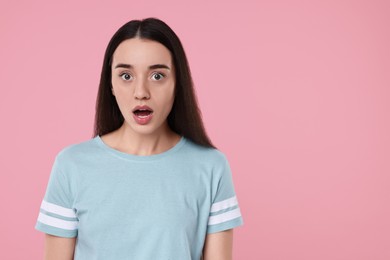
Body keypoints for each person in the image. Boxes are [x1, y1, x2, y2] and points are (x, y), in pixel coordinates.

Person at [35, 17, 243, 260]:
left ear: (178, 83)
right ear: (110, 84)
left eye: (157, 76)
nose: (141, 92)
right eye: (126, 76)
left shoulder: (211, 167)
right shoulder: (71, 165)